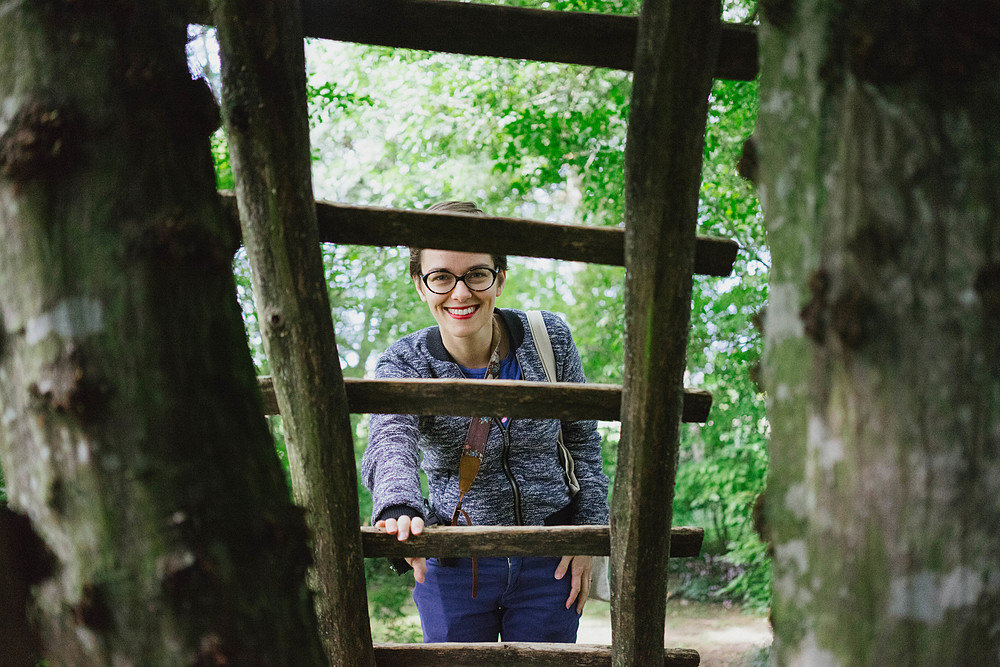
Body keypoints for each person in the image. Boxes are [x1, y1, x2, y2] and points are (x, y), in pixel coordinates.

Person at [361, 200, 609, 643]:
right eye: (441, 276)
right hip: (453, 562)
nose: (460, 293)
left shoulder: (548, 339)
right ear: (420, 285)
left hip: (550, 560)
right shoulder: (406, 360)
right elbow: (389, 438)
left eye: (477, 273)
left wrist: (587, 535)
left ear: (500, 278)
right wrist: (399, 506)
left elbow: (583, 443)